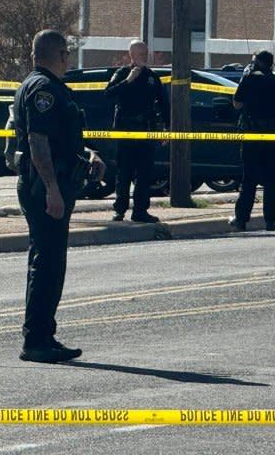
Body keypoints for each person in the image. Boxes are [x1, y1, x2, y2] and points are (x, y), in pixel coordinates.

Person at [13, 29, 105, 363]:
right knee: (48, 264)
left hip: (50, 183)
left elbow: (57, 138)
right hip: (43, 187)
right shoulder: (43, 89)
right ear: (61, 55)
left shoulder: (46, 86)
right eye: (68, 54)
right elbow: (38, 141)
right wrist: (52, 188)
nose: (69, 60)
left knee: (48, 262)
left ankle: (43, 335)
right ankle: (37, 340)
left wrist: (89, 153)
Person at [229, 50, 275, 232]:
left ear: (258, 62)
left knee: (248, 181)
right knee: (272, 181)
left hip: (252, 138)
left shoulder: (249, 80)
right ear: (271, 64)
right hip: (274, 139)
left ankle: (241, 220)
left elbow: (236, 104)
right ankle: (271, 221)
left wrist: (243, 81)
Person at [105, 40, 169, 223]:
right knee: (123, 172)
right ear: (131, 54)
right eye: (140, 53)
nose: (144, 56)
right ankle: (119, 210)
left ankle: (140, 211)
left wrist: (166, 128)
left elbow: (164, 104)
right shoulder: (122, 73)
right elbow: (108, 94)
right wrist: (128, 81)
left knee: (144, 173)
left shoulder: (152, 77)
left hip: (146, 130)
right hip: (126, 131)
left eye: (145, 53)